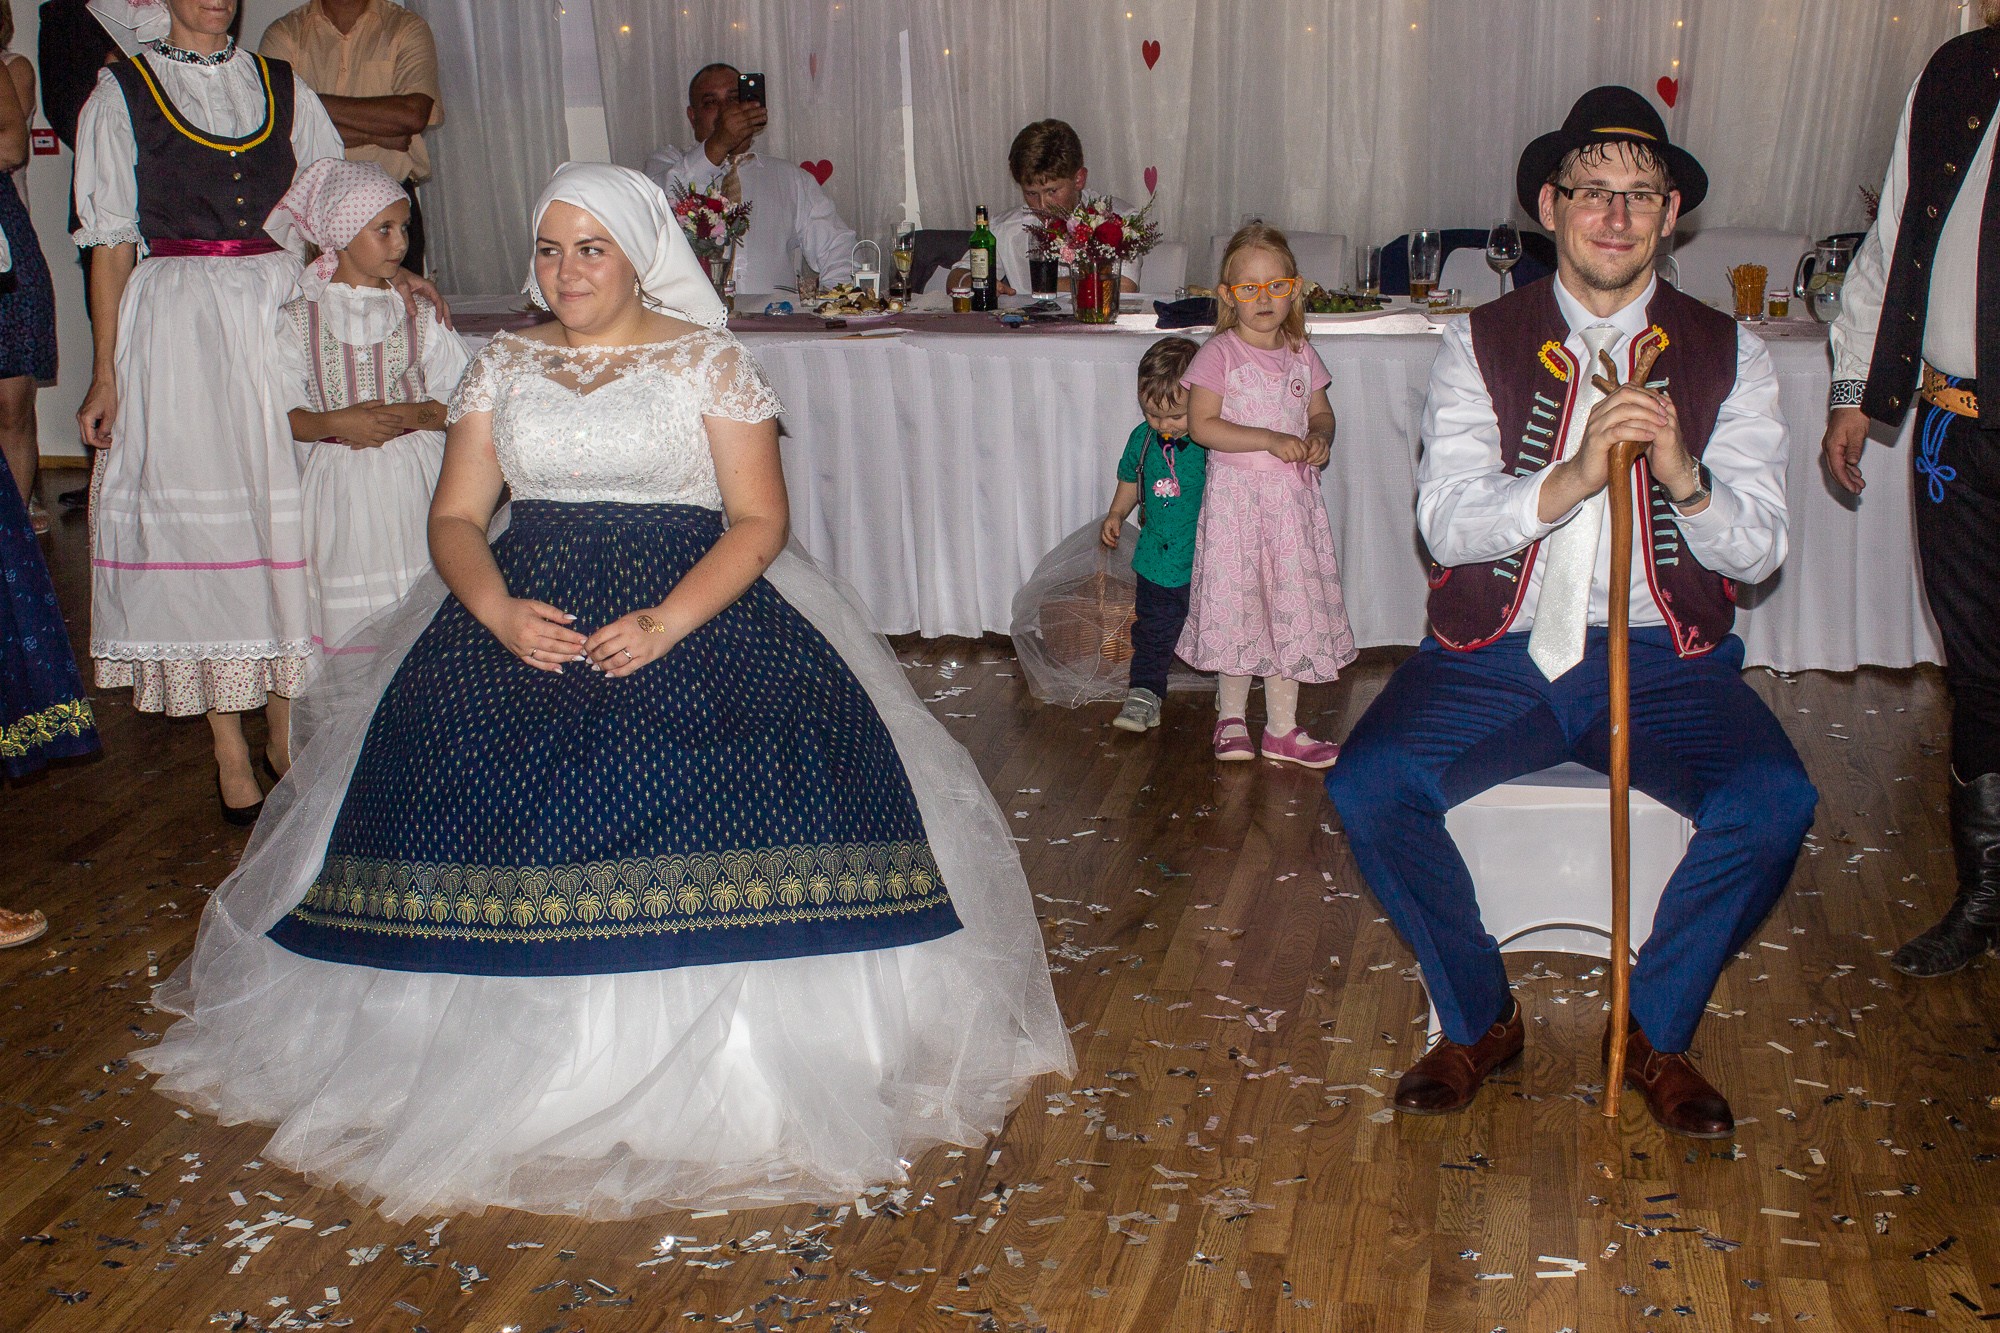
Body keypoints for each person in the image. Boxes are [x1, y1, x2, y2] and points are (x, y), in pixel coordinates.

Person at [130, 162, 1073, 1221]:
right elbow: (455, 518)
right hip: (523, 601)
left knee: (716, 758)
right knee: (457, 751)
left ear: (639, 255)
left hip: (688, 602)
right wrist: (495, 610)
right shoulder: (501, 364)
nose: (566, 271)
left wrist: (667, 621)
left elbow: (758, 521)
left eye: (591, 249)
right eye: (550, 249)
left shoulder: (709, 361)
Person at [1325, 87, 1816, 1138]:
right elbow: (1447, 524)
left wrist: (1683, 476)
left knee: (1773, 800)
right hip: (1498, 652)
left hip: (1665, 655)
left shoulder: (1731, 352)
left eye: (1640, 194)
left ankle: (1653, 1029)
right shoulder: (1478, 342)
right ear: (1549, 207)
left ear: (1670, 215)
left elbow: (1760, 549)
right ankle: (1480, 1017)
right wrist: (1573, 478)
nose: (1615, 215)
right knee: (1369, 783)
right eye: (1592, 191)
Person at [73, 0, 359, 824]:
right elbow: (110, 246)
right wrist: (104, 372)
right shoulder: (121, 94)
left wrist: (384, 284)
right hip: (181, 326)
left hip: (276, 311)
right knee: (206, 531)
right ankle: (229, 745)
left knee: (287, 514)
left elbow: (335, 214)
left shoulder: (281, 85)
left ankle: (284, 728)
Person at [1822, 18, 2000, 979]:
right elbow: (1897, 239)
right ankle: (1987, 894)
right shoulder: (1959, 70)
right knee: (1979, 667)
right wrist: (1855, 388)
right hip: (1953, 427)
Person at [268, 158, 467, 651]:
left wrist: (410, 415)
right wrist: (336, 422)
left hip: (416, 477)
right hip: (341, 485)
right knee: (355, 604)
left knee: (422, 591)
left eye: (404, 228)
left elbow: (463, 402)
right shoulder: (297, 319)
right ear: (341, 234)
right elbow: (286, 415)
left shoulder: (420, 313)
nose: (400, 243)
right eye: (384, 229)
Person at [1176, 223, 1351, 768]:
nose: (1264, 298)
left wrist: (1319, 436)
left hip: (1290, 509)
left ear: (1294, 289)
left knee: (1286, 606)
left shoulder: (1301, 353)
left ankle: (1281, 728)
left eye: (1276, 286)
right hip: (1238, 506)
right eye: (1248, 288)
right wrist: (1270, 440)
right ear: (1228, 296)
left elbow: (1321, 412)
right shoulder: (1219, 354)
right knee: (1240, 604)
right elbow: (1202, 426)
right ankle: (1230, 718)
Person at [259, 0, 441, 276]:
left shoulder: (406, 28)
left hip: (391, 209)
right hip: (314, 213)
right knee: (315, 303)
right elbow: (279, 125)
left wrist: (307, 103)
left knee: (400, 302)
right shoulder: (285, 34)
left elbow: (412, 115)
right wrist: (376, 133)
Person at [643, 62, 854, 296]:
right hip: (691, 316)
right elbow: (657, 205)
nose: (725, 111)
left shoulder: (791, 178)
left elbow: (838, 248)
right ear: (693, 117)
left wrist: (831, 303)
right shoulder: (667, 164)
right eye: (711, 102)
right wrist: (719, 142)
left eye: (734, 99)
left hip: (776, 316)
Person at [1102, 335, 1206, 733]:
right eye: (1152, 414)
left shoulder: (1211, 443)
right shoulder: (1142, 440)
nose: (1164, 426)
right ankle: (1144, 692)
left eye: (1176, 416)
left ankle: (1230, 686)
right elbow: (1131, 478)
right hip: (1157, 560)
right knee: (1151, 629)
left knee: (1216, 623)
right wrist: (1117, 512)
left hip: (1207, 558)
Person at [947, 119, 1137, 296]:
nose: (1042, 205)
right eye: (1031, 193)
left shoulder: (1117, 218)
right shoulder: (1006, 227)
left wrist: (1044, 282)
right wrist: (974, 283)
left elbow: (1125, 286)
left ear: (1079, 179)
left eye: (1052, 191)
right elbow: (956, 276)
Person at [0, 5, 53, 536]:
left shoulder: (9, 66)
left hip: (4, 234)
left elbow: (12, 147)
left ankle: (13, 530)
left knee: (12, 397)